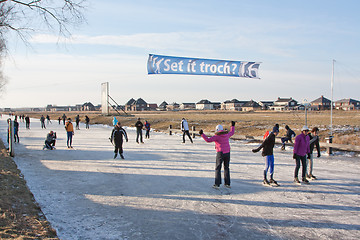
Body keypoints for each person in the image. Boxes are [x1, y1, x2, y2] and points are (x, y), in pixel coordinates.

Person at [200, 121, 235, 189]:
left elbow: (208, 140)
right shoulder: (226, 134)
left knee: (218, 168)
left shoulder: (217, 136)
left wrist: (202, 134)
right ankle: (227, 183)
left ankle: (217, 184)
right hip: (227, 152)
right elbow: (232, 132)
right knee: (226, 167)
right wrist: (232, 126)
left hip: (220, 153)